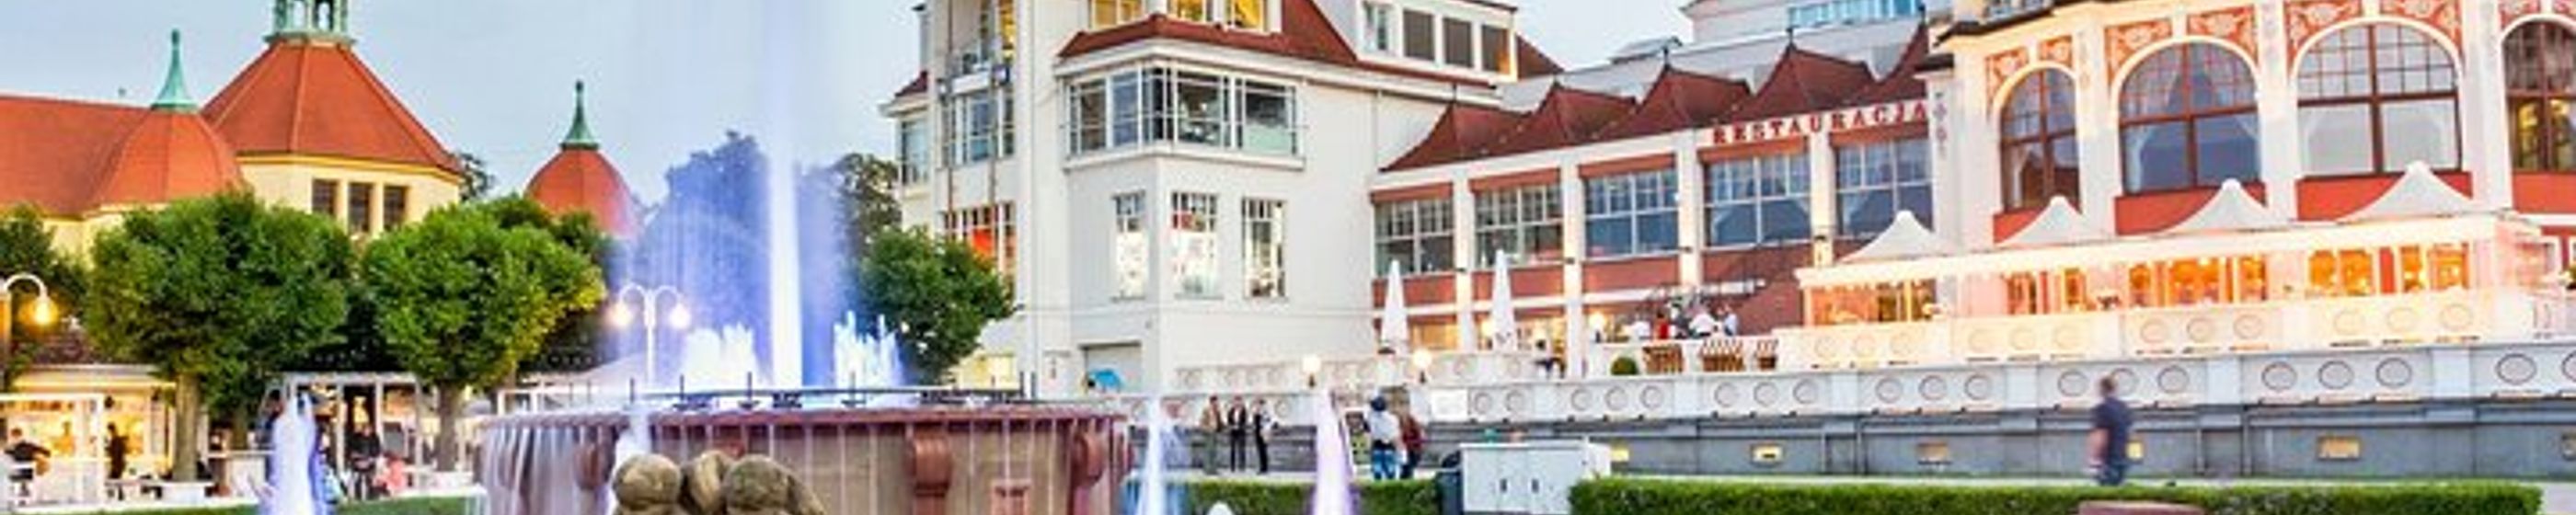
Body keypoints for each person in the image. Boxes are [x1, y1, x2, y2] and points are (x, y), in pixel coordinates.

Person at [2088, 377, 2135, 486]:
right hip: (2123, 457)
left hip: (2109, 460)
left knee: (2106, 492)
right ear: (2115, 389)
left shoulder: (2102, 408)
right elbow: (2130, 434)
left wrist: (2094, 459)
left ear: (2101, 389)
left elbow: (2101, 436)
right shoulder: (2124, 407)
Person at [1363, 397, 1402, 480]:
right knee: (1390, 470)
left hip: (1377, 446)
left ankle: (1379, 485)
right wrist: (1399, 449)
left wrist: (1369, 448)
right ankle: (1390, 485)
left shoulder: (1370, 418)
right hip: (1389, 446)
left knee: (1377, 470)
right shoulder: (1393, 418)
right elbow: (1396, 436)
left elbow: (1368, 435)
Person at [6, 429, 52, 498]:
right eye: (14, 437)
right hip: (26, 474)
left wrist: (38, 457)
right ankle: (22, 492)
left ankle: (21, 492)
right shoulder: (26, 446)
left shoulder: (15, 449)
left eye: (15, 437)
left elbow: (47, 452)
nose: (14, 439)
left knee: (13, 480)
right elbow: (47, 452)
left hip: (21, 474)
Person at [1198, 396, 1225, 475]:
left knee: (1214, 452)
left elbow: (1219, 421)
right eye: (1216, 402)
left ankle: (1213, 469)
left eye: (1217, 402)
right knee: (1208, 451)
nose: (1217, 403)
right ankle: (1207, 469)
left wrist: (1222, 426)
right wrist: (1207, 429)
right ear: (1212, 402)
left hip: (1215, 432)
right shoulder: (1206, 410)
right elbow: (1202, 422)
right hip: (1209, 433)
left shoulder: (1217, 411)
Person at [1397, 408, 1426, 478]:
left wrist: (1410, 444)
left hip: (1413, 450)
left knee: (1409, 468)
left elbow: (1421, 439)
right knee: (1405, 468)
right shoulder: (1401, 427)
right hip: (1406, 450)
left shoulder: (1415, 427)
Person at [1224, 397, 1249, 473]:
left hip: (1241, 432)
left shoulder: (1244, 411)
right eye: (1236, 402)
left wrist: (1239, 426)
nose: (1237, 403)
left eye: (1239, 402)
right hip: (1233, 432)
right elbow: (1229, 420)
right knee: (1232, 450)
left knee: (1242, 449)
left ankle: (1242, 466)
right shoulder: (1231, 411)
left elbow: (1245, 422)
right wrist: (1231, 426)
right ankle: (1232, 467)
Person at [1250, 398, 1274, 475]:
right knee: (1260, 451)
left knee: (1263, 451)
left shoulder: (1265, 413)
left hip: (1263, 433)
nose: (1257, 406)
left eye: (1258, 404)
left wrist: (1266, 432)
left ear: (1262, 405)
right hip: (1257, 432)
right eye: (1256, 404)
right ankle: (1261, 467)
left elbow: (1268, 423)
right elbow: (1255, 422)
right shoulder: (1256, 412)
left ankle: (1265, 468)